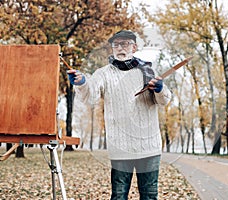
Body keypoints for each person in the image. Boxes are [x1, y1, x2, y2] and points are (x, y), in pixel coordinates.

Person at [67, 30, 172, 200]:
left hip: (149, 146)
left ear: (134, 47)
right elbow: (91, 95)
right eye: (116, 44)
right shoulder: (103, 73)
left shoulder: (148, 71)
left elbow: (164, 100)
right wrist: (82, 82)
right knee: (118, 196)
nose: (120, 48)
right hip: (120, 147)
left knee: (150, 196)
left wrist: (159, 89)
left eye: (125, 44)